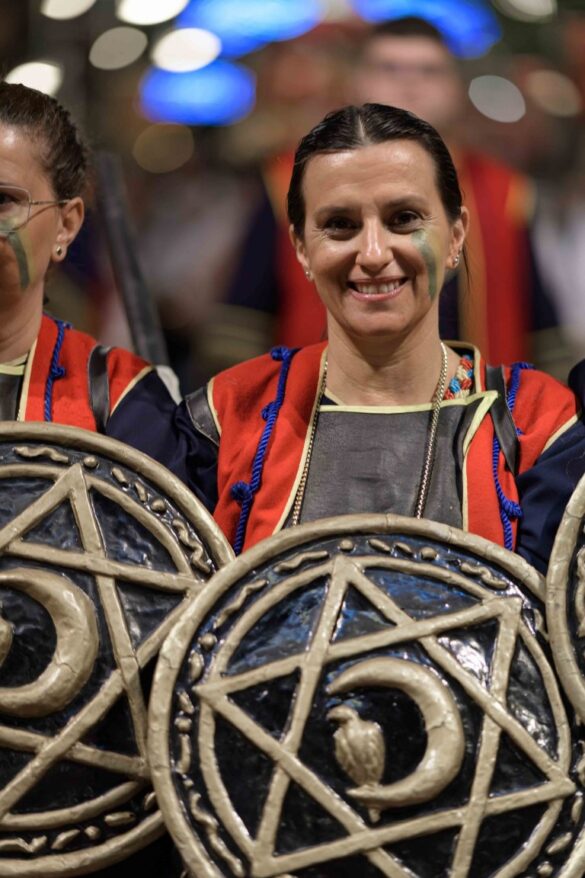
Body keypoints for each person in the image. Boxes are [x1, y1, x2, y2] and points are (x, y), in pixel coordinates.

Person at [182, 103, 585, 576]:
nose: (373, 254)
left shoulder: (540, 425)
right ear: (301, 248)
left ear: (456, 236)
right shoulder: (226, 416)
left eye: (404, 218)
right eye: (340, 225)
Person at [0, 81, 184, 877]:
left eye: (4, 201)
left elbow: (168, 627)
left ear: (68, 223)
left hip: (75, 805)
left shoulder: (122, 401)